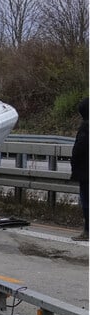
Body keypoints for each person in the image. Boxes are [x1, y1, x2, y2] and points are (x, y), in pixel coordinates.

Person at [71, 97, 88, 241]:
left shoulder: (85, 128)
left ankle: (87, 231)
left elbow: (79, 150)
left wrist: (74, 167)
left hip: (85, 172)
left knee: (87, 201)